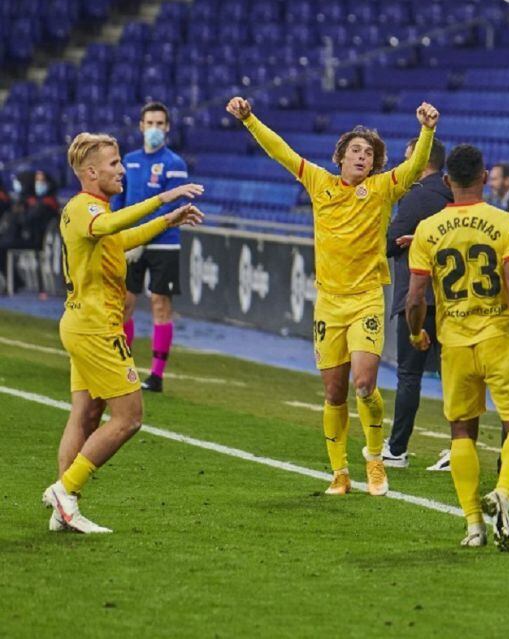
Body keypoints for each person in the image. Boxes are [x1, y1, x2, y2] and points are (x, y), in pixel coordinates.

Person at [227, 96, 440, 497]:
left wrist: (427, 130)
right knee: (334, 392)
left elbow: (413, 168)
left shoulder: (381, 189)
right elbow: (282, 152)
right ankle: (339, 473)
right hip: (329, 302)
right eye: (355, 151)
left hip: (365, 300)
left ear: (375, 163)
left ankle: (374, 460)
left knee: (364, 383)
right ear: (340, 157)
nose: (362, 157)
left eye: (369, 153)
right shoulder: (319, 182)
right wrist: (249, 119)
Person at [43, 132, 202, 533]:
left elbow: (120, 238)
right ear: (91, 172)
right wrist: (162, 198)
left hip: (83, 323)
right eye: (114, 164)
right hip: (95, 328)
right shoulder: (85, 208)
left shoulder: (93, 211)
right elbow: (111, 226)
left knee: (87, 413)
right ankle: (66, 490)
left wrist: (168, 220)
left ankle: (64, 507)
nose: (121, 170)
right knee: (129, 418)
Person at [406, 143, 509, 551]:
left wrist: (416, 334)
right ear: (484, 177)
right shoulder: (506, 224)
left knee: (461, 430)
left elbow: (415, 300)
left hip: (455, 342)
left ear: (447, 181)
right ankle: (502, 493)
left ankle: (472, 525)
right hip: (499, 336)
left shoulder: (427, 229)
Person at [382, 135, 450, 469]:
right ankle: (458, 447)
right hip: (452, 299)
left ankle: (396, 449)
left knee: (409, 375)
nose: (403, 165)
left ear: (423, 160)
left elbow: (391, 243)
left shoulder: (418, 195)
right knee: (455, 375)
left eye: (409, 159)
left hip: (419, 296)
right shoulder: (454, 192)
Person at [113, 102, 190, 393]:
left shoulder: (175, 163)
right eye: (150, 123)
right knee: (124, 304)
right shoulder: (129, 161)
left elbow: (173, 207)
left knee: (160, 303)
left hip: (164, 243)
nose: (155, 128)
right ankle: (124, 367)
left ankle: (156, 375)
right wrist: (118, 233)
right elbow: (119, 202)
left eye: (160, 123)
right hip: (129, 241)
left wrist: (142, 237)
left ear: (167, 128)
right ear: (141, 126)